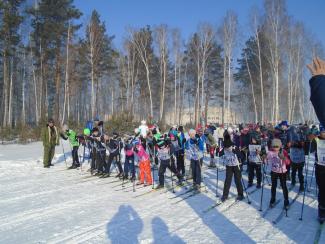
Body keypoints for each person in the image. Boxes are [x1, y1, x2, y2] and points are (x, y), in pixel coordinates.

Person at [307, 57, 325, 223]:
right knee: (322, 189)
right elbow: (311, 148)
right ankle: (322, 209)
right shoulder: (319, 136)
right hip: (321, 165)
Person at [266, 139, 290, 209]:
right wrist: (264, 157)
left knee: (283, 186)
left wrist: (284, 158)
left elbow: (288, 162)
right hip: (274, 171)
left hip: (282, 171)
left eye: (277, 146)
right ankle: (273, 199)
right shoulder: (270, 152)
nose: (276, 148)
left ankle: (286, 201)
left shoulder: (283, 151)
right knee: (273, 186)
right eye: (274, 146)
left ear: (280, 146)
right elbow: (266, 160)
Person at [220, 133, 244, 202]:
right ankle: (225, 195)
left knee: (237, 180)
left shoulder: (234, 147)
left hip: (236, 165)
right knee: (227, 181)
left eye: (227, 147)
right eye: (225, 147)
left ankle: (240, 194)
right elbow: (219, 154)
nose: (227, 148)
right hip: (229, 166)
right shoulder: (224, 147)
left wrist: (237, 152)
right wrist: (218, 150)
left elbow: (241, 156)